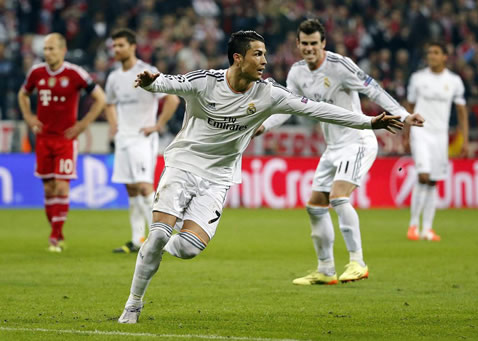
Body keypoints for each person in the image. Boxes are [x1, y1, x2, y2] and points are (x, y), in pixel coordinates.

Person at [118, 30, 404, 324]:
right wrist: (151, 84)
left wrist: (368, 122)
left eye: (265, 54)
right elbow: (167, 82)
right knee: (158, 233)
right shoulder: (206, 81)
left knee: (189, 248)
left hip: (219, 177)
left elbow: (319, 109)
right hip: (183, 165)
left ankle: (155, 250)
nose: (265, 61)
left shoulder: (268, 94)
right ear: (238, 58)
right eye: (258, 54)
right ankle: (133, 304)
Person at [255, 19, 424, 285]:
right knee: (315, 206)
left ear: (323, 44)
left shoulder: (340, 66)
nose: (309, 48)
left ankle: (358, 262)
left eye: (314, 43)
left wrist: (403, 115)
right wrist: (263, 126)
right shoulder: (297, 73)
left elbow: (373, 89)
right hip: (332, 146)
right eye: (305, 44)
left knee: (338, 197)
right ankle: (325, 269)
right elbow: (287, 108)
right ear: (298, 44)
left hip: (357, 141)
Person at [17, 33, 106, 252]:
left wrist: (83, 124)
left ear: (63, 50)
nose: (47, 53)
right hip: (43, 139)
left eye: (52, 49)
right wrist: (29, 118)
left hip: (65, 139)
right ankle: (57, 231)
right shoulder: (36, 73)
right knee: (48, 189)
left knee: (61, 185)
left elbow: (100, 98)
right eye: (45, 49)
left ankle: (55, 237)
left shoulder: (75, 73)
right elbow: (22, 94)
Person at [105, 28, 180, 254]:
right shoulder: (114, 77)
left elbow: (172, 99)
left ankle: (158, 240)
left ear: (132, 46)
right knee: (131, 189)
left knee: (144, 186)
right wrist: (114, 125)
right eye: (114, 46)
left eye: (121, 45)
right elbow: (109, 103)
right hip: (123, 139)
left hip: (142, 137)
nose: (116, 49)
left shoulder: (147, 71)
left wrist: (158, 125)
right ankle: (138, 239)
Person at [405, 41, 468, 242]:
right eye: (429, 52)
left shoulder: (454, 81)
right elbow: (409, 106)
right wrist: (406, 133)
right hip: (420, 132)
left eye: (435, 52)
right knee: (423, 176)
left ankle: (427, 229)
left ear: (444, 57)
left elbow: (461, 111)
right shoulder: (417, 79)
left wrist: (464, 138)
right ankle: (413, 225)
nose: (431, 55)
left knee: (433, 180)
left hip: (441, 135)